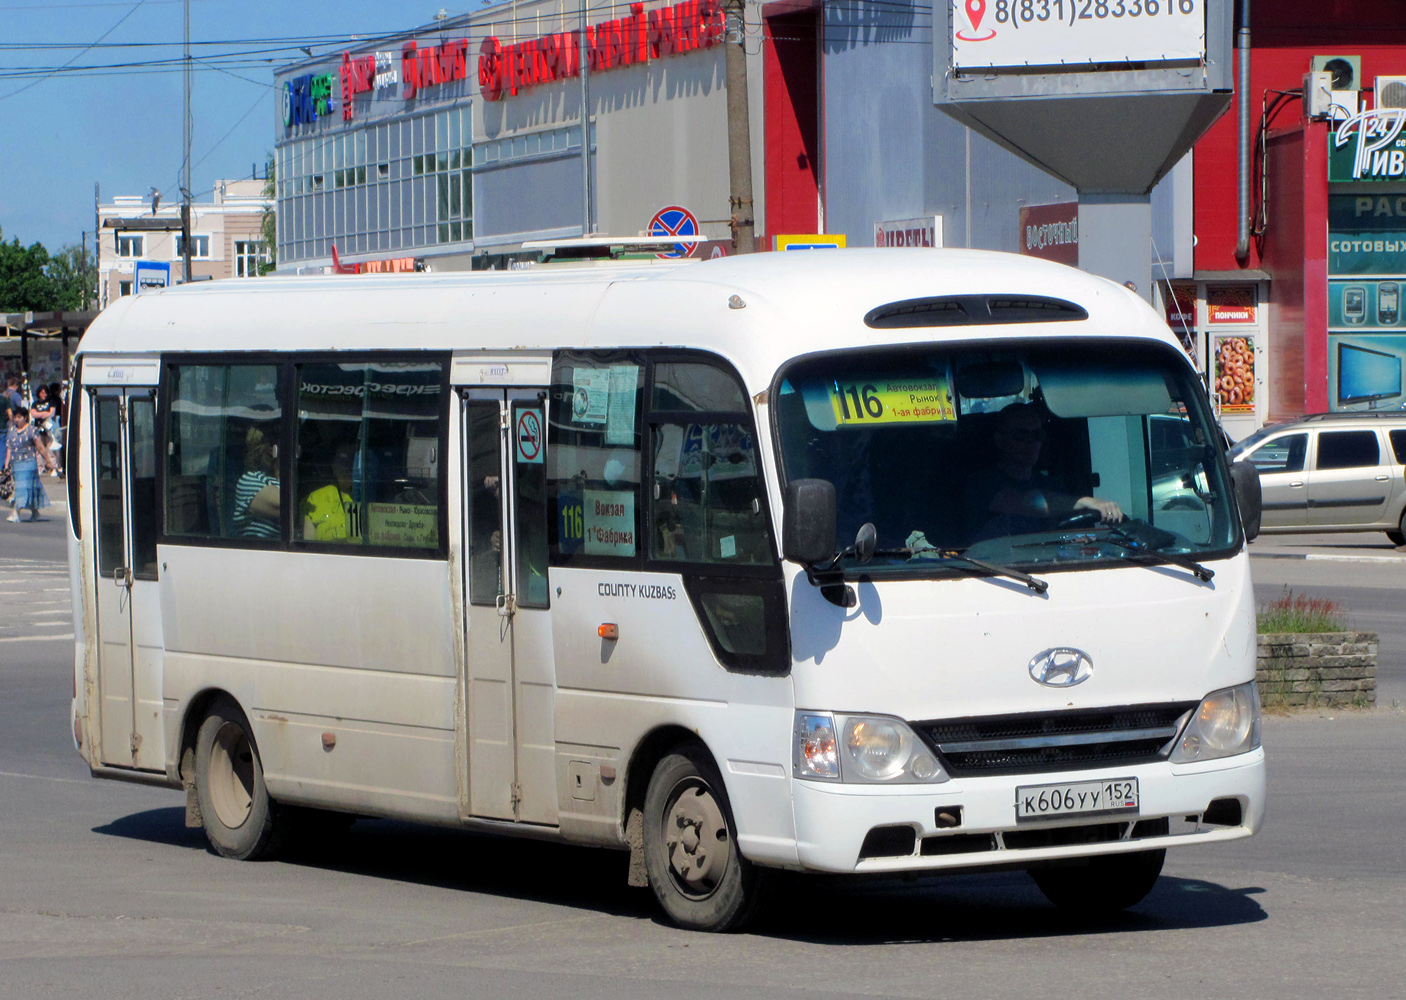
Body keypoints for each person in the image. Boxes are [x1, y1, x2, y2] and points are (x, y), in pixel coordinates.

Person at [965, 402, 1123, 539]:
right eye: (1021, 435)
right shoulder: (982, 483)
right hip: (993, 569)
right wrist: (1086, 502)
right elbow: (1029, 503)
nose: (1031, 442)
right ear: (999, 440)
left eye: (1037, 435)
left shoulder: (1052, 487)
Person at [4, 407, 57, 522]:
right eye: (16, 417)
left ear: (25, 418)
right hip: (16, 464)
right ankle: (35, 512)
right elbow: (9, 448)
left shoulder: (32, 430)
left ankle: (15, 513)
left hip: (28, 463)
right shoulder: (12, 431)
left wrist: (48, 460)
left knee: (21, 488)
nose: (17, 420)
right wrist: (6, 464)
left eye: (19, 417)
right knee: (30, 488)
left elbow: (40, 447)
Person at [302, 442, 361, 542]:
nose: (347, 466)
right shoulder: (316, 498)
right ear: (333, 465)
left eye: (352, 460)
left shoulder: (369, 496)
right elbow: (307, 546)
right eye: (342, 460)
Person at [232, 426, 281, 538]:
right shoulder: (249, 480)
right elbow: (287, 506)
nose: (272, 447)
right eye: (267, 442)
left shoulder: (287, 480)